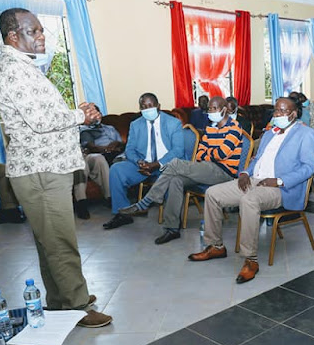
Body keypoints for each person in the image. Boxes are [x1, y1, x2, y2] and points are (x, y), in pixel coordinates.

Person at [0, 8, 110, 327]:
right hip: (40, 169)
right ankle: (77, 304)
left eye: (42, 30)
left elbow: (43, 113)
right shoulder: (14, 69)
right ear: (13, 36)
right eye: (34, 31)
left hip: (44, 166)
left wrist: (75, 112)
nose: (41, 36)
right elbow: (41, 122)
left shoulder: (22, 66)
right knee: (60, 240)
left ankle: (59, 299)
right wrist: (79, 116)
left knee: (48, 241)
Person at [188, 97, 314, 284]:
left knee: (249, 200)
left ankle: (251, 260)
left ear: (293, 114)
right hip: (253, 180)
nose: (277, 114)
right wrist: (244, 173)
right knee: (212, 194)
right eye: (276, 111)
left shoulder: (306, 134)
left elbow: (307, 168)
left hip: (279, 187)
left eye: (282, 111)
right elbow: (257, 160)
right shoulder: (269, 133)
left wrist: (279, 180)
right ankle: (215, 246)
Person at [118, 97, 243, 244]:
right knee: (175, 180)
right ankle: (172, 228)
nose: (210, 111)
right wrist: (210, 154)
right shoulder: (211, 127)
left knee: (176, 164)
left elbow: (221, 154)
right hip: (207, 168)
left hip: (224, 173)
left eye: (214, 108)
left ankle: (146, 201)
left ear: (224, 109)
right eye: (209, 109)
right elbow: (200, 153)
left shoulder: (235, 128)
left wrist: (209, 154)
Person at [103, 93, 186, 230]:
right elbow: (130, 149)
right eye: (143, 107)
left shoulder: (173, 123)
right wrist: (139, 161)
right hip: (143, 166)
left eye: (150, 106)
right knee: (116, 170)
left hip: (166, 165)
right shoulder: (136, 125)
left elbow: (178, 151)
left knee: (173, 179)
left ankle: (173, 218)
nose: (147, 109)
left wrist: (158, 164)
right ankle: (122, 213)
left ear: (158, 106)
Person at [74, 108, 124, 218]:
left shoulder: (110, 128)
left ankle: (110, 198)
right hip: (94, 154)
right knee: (97, 158)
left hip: (115, 154)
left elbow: (121, 143)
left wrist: (116, 145)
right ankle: (81, 202)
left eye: (96, 113)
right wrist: (106, 149)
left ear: (100, 114)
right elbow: (90, 146)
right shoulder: (83, 129)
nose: (95, 116)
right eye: (90, 114)